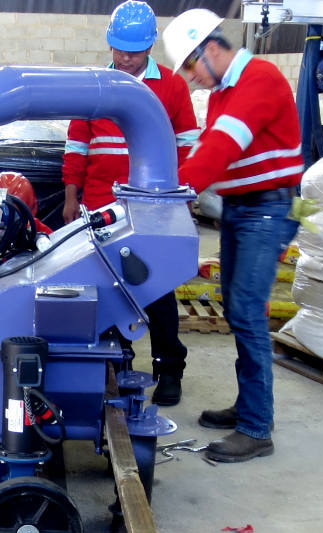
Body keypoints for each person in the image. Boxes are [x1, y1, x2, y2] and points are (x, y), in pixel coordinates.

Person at [163, 9, 302, 462]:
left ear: (211, 48)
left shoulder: (259, 78)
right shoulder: (225, 91)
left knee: (246, 311)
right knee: (238, 307)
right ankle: (250, 407)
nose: (191, 77)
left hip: (267, 210)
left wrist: (169, 194)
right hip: (242, 209)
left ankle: (257, 428)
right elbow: (208, 148)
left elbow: (221, 148)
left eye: (191, 64)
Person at [62, 0, 199, 406]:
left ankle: (168, 369)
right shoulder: (93, 85)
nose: (125, 58)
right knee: (105, 287)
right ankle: (116, 364)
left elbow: (186, 146)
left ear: (150, 47)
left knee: (157, 289)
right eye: (119, 49)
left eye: (134, 52)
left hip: (153, 208)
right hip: (100, 203)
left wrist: (181, 199)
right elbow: (77, 145)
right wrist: (70, 195)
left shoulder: (171, 87)